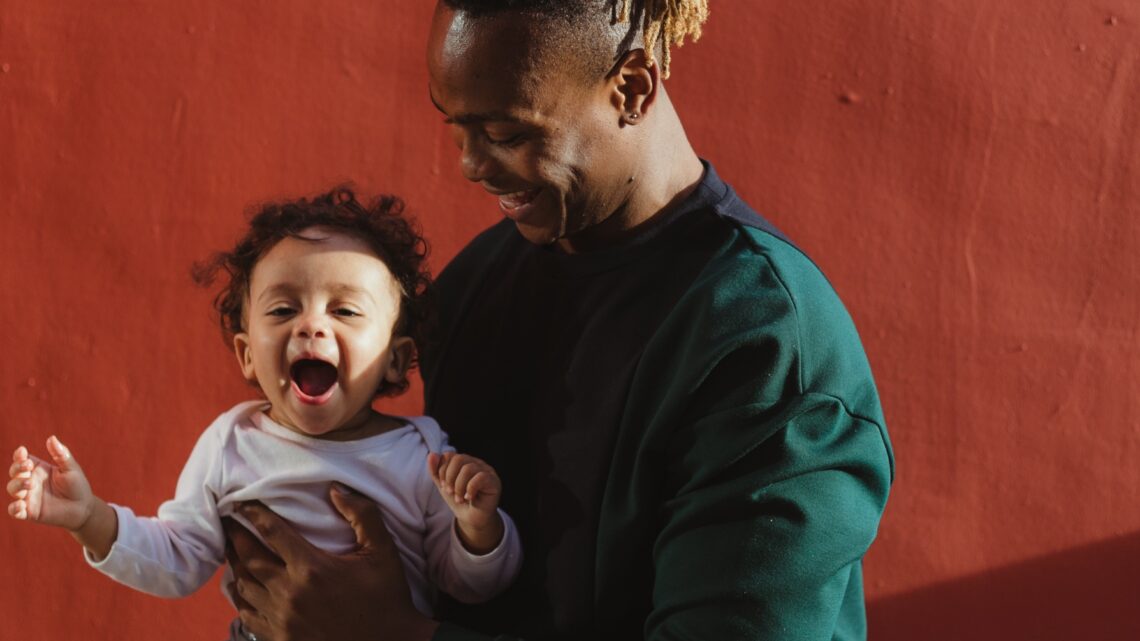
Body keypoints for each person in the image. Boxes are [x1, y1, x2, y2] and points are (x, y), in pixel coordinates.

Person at [222, 1, 896, 640]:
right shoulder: (474, 283)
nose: (470, 164)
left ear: (631, 87)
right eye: (454, 125)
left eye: (505, 132)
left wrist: (397, 634)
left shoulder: (767, 344)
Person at [5, 189, 523, 640]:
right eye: (282, 310)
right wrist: (89, 518)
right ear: (247, 354)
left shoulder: (422, 454)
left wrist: (478, 529)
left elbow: (468, 585)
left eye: (344, 310)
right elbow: (178, 558)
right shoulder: (231, 442)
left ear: (396, 358)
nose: (310, 326)